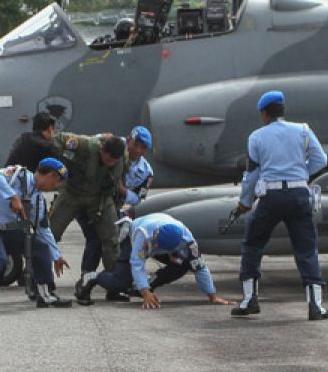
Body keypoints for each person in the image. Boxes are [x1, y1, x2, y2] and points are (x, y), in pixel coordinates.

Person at [232, 90, 328, 320]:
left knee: (253, 244)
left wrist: (245, 202)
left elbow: (252, 173)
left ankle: (249, 300)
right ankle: (316, 306)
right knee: (306, 249)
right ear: (283, 111)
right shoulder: (303, 130)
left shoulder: (256, 137)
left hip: (271, 196)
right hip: (299, 195)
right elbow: (322, 160)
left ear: (264, 113)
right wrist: (300, 175)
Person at [0, 158, 72, 314]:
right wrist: (12, 196)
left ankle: (45, 294)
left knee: (40, 247)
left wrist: (56, 256)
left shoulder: (38, 200)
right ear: (49, 175)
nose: (55, 187)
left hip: (4, 231)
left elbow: (43, 229)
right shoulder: (19, 175)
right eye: (56, 181)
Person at [74, 213, 231, 309]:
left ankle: (145, 285)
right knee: (121, 282)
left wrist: (212, 296)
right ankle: (92, 277)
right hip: (133, 237)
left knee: (182, 264)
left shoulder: (188, 240)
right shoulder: (144, 234)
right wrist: (145, 292)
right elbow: (137, 264)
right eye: (156, 244)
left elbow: (199, 267)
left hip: (164, 245)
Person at [79, 125, 155, 293]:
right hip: (92, 200)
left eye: (143, 148)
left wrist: (123, 191)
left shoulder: (145, 171)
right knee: (95, 240)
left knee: (116, 245)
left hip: (116, 209)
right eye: (136, 144)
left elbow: (139, 199)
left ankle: (113, 283)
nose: (138, 150)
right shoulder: (110, 142)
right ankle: (86, 278)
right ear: (129, 139)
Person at [48, 132, 127, 270]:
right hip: (72, 194)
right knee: (49, 233)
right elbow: (57, 140)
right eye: (108, 160)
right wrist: (62, 166)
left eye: (115, 161)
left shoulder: (121, 158)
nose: (111, 164)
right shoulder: (85, 145)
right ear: (102, 150)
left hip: (99, 198)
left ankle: (114, 279)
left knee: (111, 238)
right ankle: (38, 275)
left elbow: (119, 179)